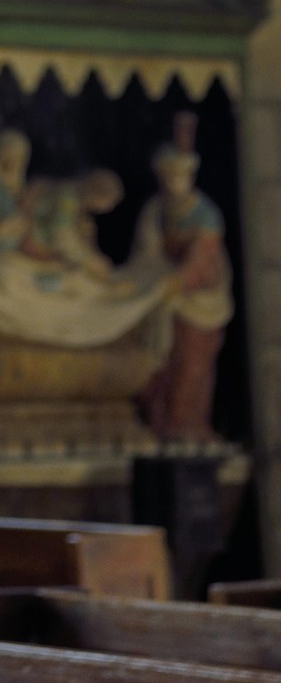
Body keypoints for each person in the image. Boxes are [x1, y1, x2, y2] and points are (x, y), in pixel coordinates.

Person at [131, 111, 233, 440]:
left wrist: (174, 284)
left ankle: (189, 427)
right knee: (162, 365)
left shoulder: (206, 214)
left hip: (201, 300)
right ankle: (162, 425)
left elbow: (201, 263)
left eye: (179, 176)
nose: (174, 183)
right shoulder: (156, 209)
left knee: (192, 365)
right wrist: (150, 281)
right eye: (168, 177)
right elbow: (146, 253)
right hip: (167, 296)